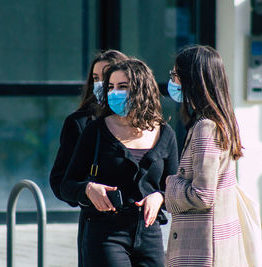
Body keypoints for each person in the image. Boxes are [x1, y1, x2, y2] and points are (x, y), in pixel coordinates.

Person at [60, 59, 178, 267]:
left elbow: (174, 189)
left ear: (142, 90)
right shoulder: (95, 130)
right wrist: (88, 189)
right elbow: (66, 184)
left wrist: (159, 197)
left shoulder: (166, 134)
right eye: (111, 87)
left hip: (150, 233)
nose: (115, 93)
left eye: (123, 87)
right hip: (106, 233)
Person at [164, 45, 247, 267]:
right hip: (211, 245)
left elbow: (202, 195)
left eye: (175, 75)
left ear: (193, 80)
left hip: (200, 250)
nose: (172, 82)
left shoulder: (206, 128)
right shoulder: (221, 123)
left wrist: (170, 186)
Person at [49, 50, 128, 266]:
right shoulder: (80, 123)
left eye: (106, 75)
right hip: (97, 224)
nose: (101, 83)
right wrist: (87, 190)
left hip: (140, 227)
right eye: (95, 78)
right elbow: (59, 181)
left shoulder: (147, 127)